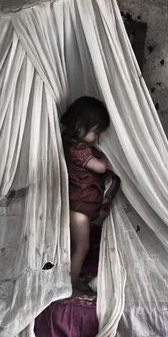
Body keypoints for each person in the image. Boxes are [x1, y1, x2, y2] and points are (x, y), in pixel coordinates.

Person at [60, 96, 121, 295]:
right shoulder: (78, 150)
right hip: (78, 208)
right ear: (79, 126)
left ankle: (72, 279)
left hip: (77, 206)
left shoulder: (69, 143)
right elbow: (101, 167)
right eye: (96, 132)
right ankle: (68, 286)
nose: (97, 138)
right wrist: (103, 157)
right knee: (81, 247)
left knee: (76, 247)